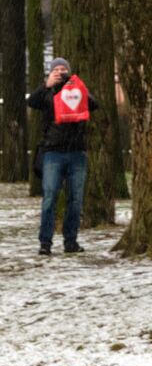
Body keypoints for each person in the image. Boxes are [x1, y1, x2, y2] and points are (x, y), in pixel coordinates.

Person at [26, 58, 99, 255]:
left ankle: (70, 241)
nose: (60, 72)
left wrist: (77, 85)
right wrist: (46, 85)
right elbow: (31, 102)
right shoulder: (46, 92)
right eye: (56, 70)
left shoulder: (77, 89)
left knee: (75, 200)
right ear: (50, 73)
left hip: (77, 152)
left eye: (63, 69)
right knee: (49, 197)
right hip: (53, 152)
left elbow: (93, 104)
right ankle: (45, 243)